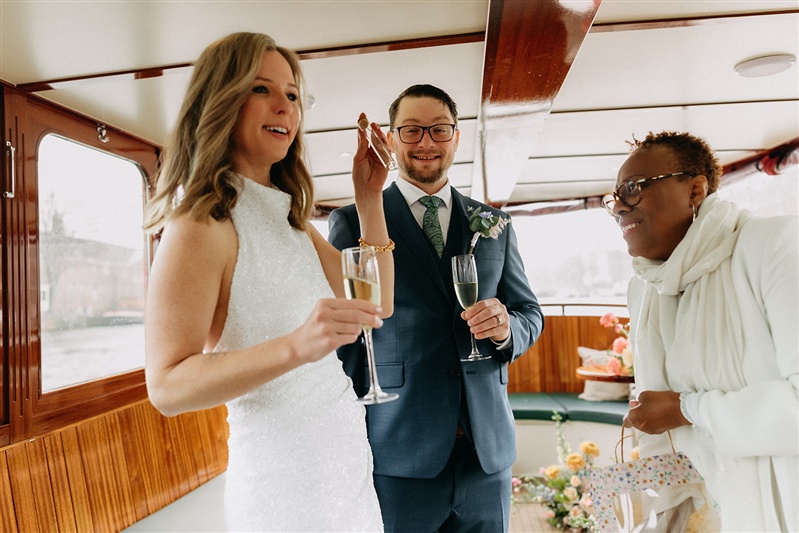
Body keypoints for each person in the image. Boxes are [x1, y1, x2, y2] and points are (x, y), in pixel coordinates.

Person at [143, 32, 394, 532]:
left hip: (345, 471)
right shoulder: (200, 224)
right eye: (263, 89)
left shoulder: (291, 219)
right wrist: (297, 346)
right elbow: (167, 386)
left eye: (294, 95)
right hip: (284, 488)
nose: (285, 106)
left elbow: (375, 305)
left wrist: (369, 201)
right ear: (220, 100)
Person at [328, 84, 544, 532]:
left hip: (487, 453)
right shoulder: (353, 220)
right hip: (400, 445)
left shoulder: (495, 223)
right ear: (389, 139)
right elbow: (344, 337)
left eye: (439, 130)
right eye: (411, 130)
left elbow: (529, 313)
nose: (426, 142)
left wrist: (506, 329)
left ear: (457, 137)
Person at [606, 131, 798, 532]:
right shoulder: (644, 288)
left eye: (633, 189)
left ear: (695, 189)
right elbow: (663, 430)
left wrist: (686, 409)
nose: (619, 206)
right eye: (615, 197)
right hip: (708, 504)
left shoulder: (776, 246)